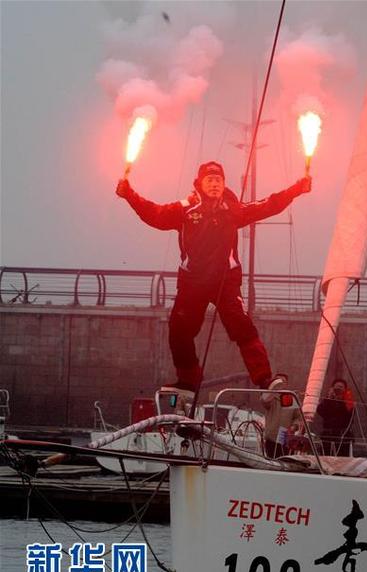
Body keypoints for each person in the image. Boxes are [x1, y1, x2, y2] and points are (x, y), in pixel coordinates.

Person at [116, 161, 311, 396]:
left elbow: (268, 205)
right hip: (192, 283)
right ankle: (188, 381)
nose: (215, 184)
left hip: (225, 283)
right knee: (179, 331)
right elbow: (154, 214)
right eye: (210, 180)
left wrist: (297, 189)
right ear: (199, 183)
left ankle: (265, 379)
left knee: (243, 327)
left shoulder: (233, 210)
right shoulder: (184, 209)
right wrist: (129, 194)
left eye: (219, 180)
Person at [315, 378, 355, 456]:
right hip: (328, 435)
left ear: (345, 389)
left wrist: (344, 398)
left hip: (343, 436)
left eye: (341, 387)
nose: (339, 389)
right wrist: (329, 398)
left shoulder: (348, 401)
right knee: (326, 458)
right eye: (337, 387)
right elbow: (321, 411)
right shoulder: (328, 401)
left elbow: (350, 415)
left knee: (342, 460)